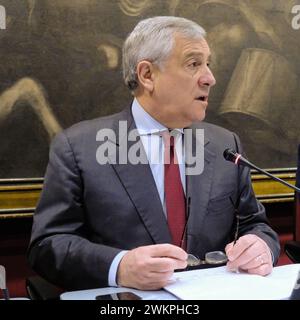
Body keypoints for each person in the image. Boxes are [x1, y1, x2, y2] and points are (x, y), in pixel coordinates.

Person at [28, 16, 280, 291]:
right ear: (147, 75)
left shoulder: (224, 144)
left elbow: (256, 225)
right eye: (194, 64)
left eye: (208, 64)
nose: (210, 78)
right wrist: (119, 266)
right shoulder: (78, 147)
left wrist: (262, 247)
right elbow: (47, 245)